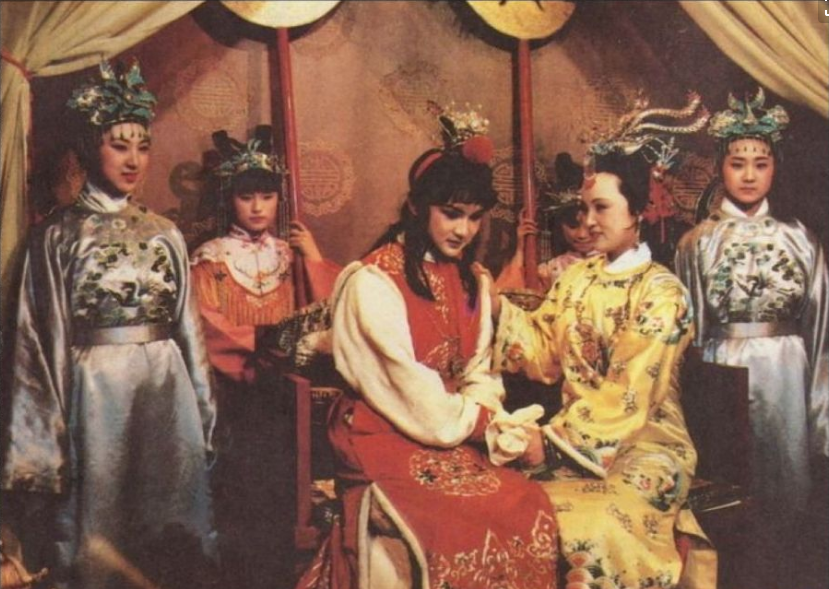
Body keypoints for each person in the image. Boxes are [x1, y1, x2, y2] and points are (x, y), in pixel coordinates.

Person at [297, 104, 557, 589]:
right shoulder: (372, 281)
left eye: (474, 218)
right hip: (380, 429)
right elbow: (403, 385)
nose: (463, 230)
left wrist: (484, 414)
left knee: (525, 502)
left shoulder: (473, 280)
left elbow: (480, 371)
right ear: (417, 207)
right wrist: (479, 424)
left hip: (446, 429)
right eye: (451, 214)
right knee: (456, 520)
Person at [0, 60, 217, 589]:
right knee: (101, 531)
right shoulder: (57, 236)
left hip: (166, 391)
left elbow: (188, 330)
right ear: (88, 148)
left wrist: (203, 410)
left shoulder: (165, 233)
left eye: (142, 146)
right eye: (119, 146)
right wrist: (46, 440)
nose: (134, 159)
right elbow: (38, 339)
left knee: (169, 528)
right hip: (95, 396)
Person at [489, 95, 716, 589]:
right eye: (584, 209)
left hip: (648, 446)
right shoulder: (576, 279)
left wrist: (552, 445)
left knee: (591, 526)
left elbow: (630, 394)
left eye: (602, 208)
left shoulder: (662, 293)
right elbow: (542, 350)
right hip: (570, 441)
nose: (589, 221)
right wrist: (496, 310)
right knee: (510, 510)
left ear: (639, 210)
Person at [675, 88, 828, 587]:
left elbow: (821, 329)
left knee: (787, 497)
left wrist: (822, 416)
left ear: (774, 168)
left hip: (788, 374)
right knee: (729, 498)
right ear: (720, 167)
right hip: (724, 372)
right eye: (737, 163)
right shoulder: (697, 242)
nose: (747, 175)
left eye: (760, 164)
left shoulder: (801, 239)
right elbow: (690, 331)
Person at [190, 126, 340, 588]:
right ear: (229, 199)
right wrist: (261, 344)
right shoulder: (210, 259)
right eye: (246, 196)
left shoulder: (289, 256)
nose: (257, 207)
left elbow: (327, 312)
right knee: (241, 492)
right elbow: (204, 323)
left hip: (289, 393)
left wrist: (312, 258)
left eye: (267, 197)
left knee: (288, 489)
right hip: (234, 391)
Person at [497, 153, 597, 293]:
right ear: (560, 224)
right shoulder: (552, 269)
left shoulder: (617, 262)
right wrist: (521, 248)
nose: (582, 234)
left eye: (590, 226)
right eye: (573, 225)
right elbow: (512, 295)